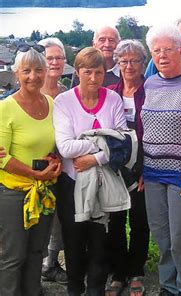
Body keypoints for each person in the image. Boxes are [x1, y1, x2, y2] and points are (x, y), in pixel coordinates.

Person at [53, 47, 127, 296]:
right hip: (72, 182)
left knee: (100, 241)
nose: (93, 78)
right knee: (74, 241)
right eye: (87, 72)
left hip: (104, 180)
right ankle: (75, 288)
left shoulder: (113, 99)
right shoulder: (64, 102)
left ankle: (95, 289)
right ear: (77, 72)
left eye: (98, 72)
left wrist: (93, 158)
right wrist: (101, 140)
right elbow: (65, 147)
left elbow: (122, 143)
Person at [142, 24, 181, 296]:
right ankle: (168, 288)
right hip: (152, 172)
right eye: (156, 51)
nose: (162, 56)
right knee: (163, 238)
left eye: (168, 49)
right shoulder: (150, 83)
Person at [0, 44, 62, 295]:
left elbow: (57, 142)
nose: (33, 76)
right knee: (13, 255)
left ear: (46, 71)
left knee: (37, 250)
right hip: (15, 192)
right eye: (26, 71)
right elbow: (2, 158)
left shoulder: (51, 104)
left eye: (38, 70)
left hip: (44, 190)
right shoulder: (6, 107)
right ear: (17, 74)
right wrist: (34, 173)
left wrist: (56, 159)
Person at [105, 39, 149, 296]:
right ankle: (119, 272)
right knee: (116, 221)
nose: (129, 65)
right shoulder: (111, 92)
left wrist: (145, 169)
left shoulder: (152, 90)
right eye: (124, 61)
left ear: (143, 63)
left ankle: (137, 271)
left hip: (142, 167)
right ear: (117, 63)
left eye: (134, 60)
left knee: (141, 222)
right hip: (116, 168)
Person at [37, 36, 69, 286]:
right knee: (36, 218)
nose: (55, 62)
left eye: (59, 58)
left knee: (58, 218)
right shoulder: (29, 92)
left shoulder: (66, 94)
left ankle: (50, 264)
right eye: (50, 58)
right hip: (33, 168)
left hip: (61, 168)